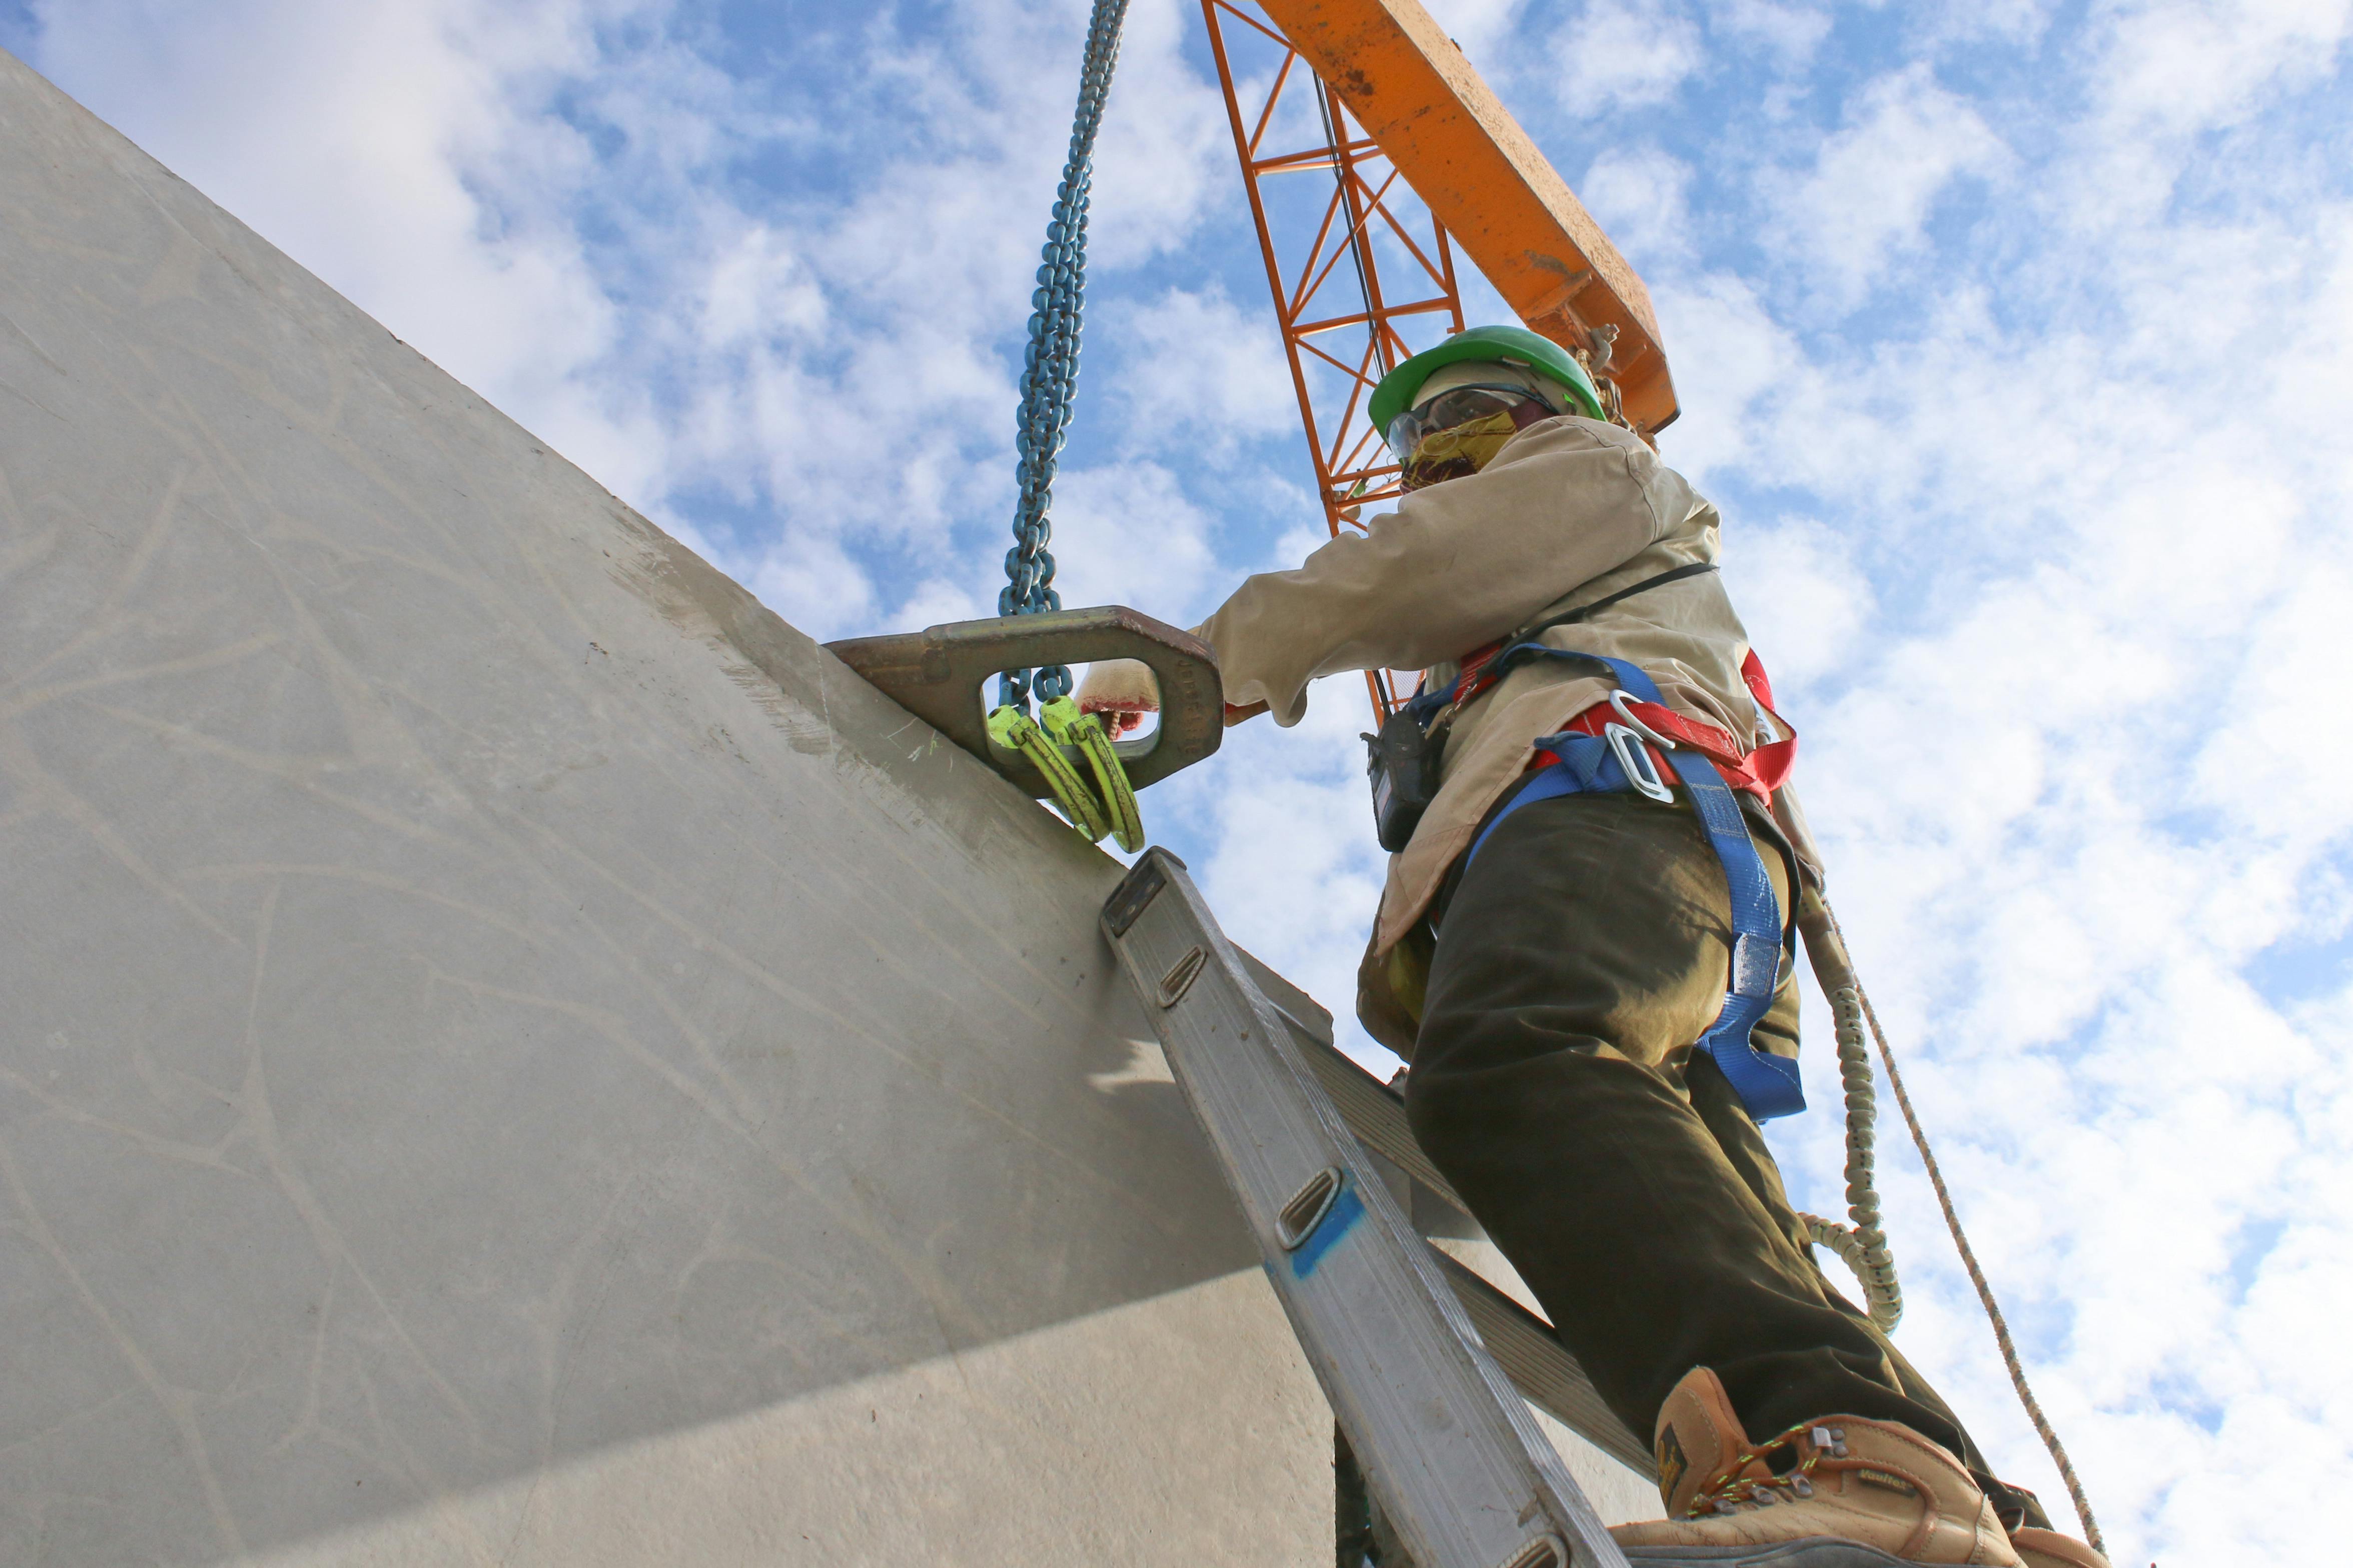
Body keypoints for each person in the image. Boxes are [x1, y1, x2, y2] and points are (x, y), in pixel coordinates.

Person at [1075, 326, 2104, 1568]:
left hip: (1626, 816)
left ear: (1541, 412)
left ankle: (1851, 1457)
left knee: (1520, 1056)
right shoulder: (1570, 598)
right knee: (1731, 1223)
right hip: (1694, 882)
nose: (1431, 454)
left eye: (1462, 414)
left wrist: (1186, 669)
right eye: (1414, 435)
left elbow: (1406, 567)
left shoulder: (1595, 469)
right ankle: (1968, 1513)